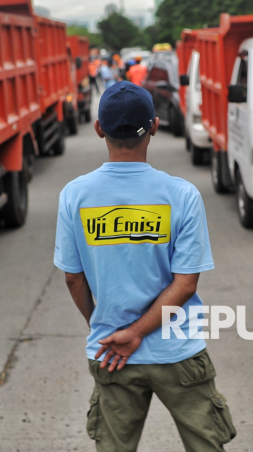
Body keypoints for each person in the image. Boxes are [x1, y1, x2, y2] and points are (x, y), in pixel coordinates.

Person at [54, 81, 236, 452]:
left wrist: (107, 325)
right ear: (154, 125)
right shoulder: (180, 195)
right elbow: (185, 285)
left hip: (111, 353)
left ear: (99, 128)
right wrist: (140, 332)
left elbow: (73, 278)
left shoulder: (75, 195)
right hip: (177, 352)